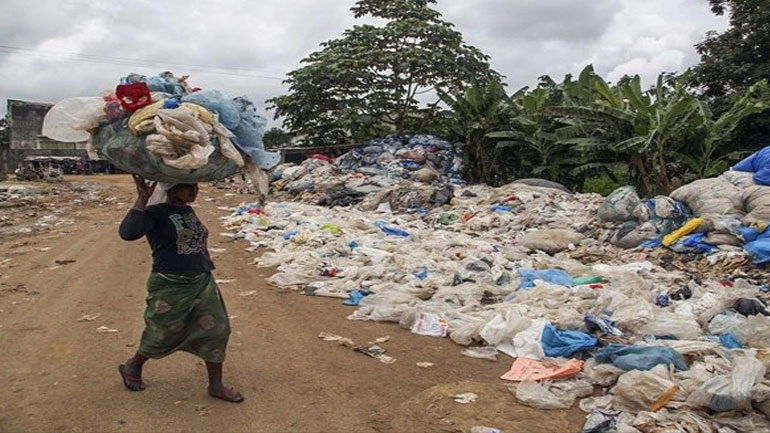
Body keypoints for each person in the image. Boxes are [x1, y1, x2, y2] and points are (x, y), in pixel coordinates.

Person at [117, 174, 243, 403]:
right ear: (171, 189)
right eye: (187, 186)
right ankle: (133, 366)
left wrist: (204, 264)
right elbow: (128, 233)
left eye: (195, 185)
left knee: (218, 330)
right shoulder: (156, 213)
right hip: (170, 284)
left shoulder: (188, 211)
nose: (194, 190)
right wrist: (142, 199)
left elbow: (198, 242)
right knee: (162, 333)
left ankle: (216, 385)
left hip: (201, 282)